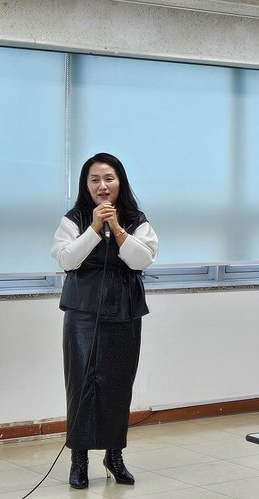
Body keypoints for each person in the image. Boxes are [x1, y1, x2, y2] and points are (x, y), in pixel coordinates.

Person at [50, 152, 158, 489]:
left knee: (118, 385)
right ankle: (79, 459)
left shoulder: (136, 220)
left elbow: (142, 260)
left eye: (109, 178)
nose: (102, 186)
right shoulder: (74, 219)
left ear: (120, 181)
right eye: (95, 179)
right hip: (83, 312)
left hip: (124, 310)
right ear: (86, 184)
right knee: (82, 384)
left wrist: (118, 229)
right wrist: (96, 227)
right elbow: (67, 260)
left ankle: (114, 456)